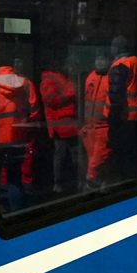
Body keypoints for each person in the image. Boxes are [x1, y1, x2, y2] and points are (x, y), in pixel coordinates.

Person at [0, 60, 39, 210]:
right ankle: (16, 209)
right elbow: (33, 109)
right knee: (15, 178)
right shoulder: (23, 84)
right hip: (18, 138)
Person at [38, 54, 84, 198]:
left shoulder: (64, 79)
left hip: (69, 122)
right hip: (61, 123)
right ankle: (60, 184)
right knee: (64, 154)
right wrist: (71, 95)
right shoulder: (49, 79)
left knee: (70, 154)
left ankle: (73, 182)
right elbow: (51, 100)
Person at [107, 36, 137, 181]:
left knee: (124, 152)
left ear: (117, 48)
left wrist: (113, 118)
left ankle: (126, 178)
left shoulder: (120, 65)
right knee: (135, 150)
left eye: (113, 47)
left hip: (125, 116)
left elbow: (116, 94)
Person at [81, 49, 112, 184]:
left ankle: (90, 186)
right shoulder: (90, 77)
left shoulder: (111, 77)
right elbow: (84, 100)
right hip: (89, 129)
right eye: (97, 59)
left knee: (95, 164)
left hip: (104, 128)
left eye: (102, 59)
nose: (99, 62)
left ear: (109, 61)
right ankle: (102, 185)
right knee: (95, 162)